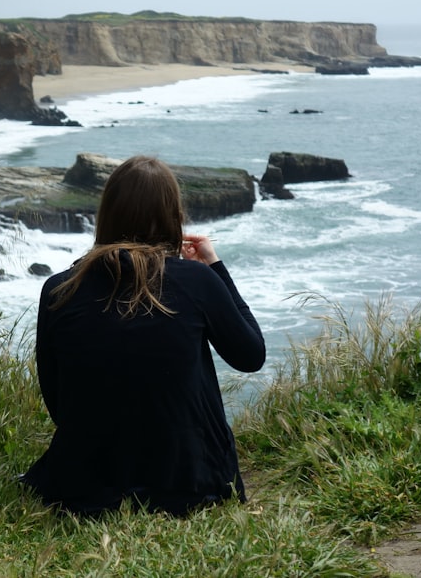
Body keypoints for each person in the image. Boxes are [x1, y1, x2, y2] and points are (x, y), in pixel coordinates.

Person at [21, 155, 265, 516]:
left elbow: (58, 401)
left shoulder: (59, 288)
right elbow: (251, 355)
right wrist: (214, 267)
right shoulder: (196, 280)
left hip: (81, 485)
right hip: (191, 487)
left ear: (107, 214)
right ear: (172, 217)